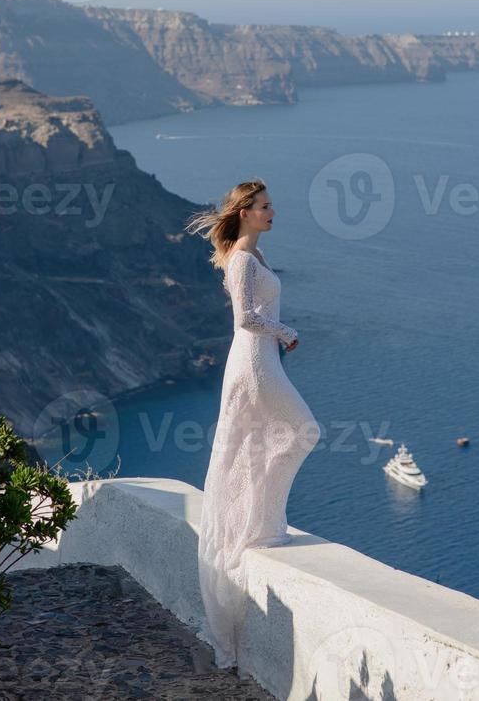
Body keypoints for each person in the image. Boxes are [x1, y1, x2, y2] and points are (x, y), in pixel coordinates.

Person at [185, 178, 320, 669]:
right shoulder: (243, 259)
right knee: (305, 432)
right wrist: (287, 332)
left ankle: (259, 518)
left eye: (270, 206)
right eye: (264, 207)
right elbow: (245, 317)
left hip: (263, 361)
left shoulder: (254, 257)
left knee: (279, 439)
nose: (272, 212)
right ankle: (260, 522)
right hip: (255, 362)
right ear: (244, 212)